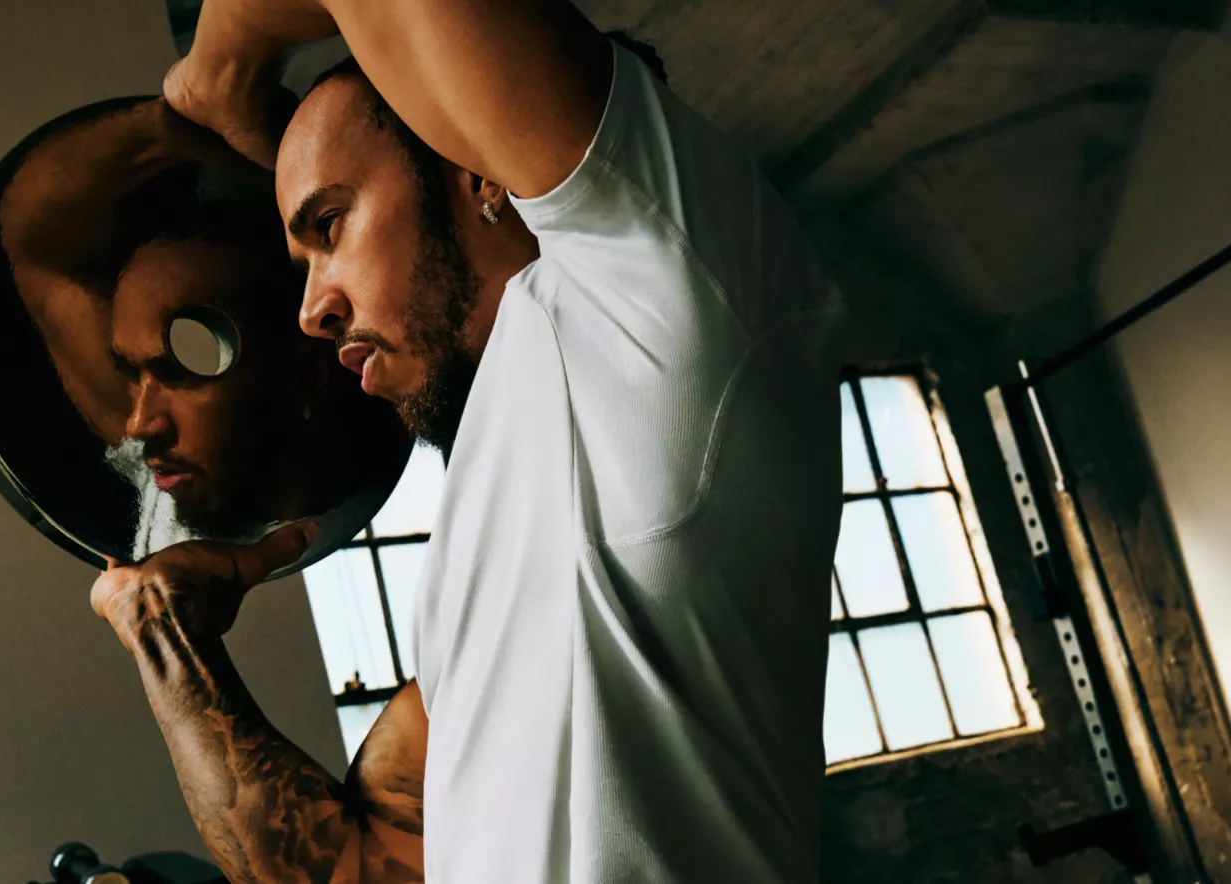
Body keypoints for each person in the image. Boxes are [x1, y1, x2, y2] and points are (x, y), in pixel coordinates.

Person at [87, 2, 844, 882]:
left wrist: (218, 78)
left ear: (478, 169)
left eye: (329, 226)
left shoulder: (661, 280)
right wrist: (165, 633)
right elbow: (355, 867)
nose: (312, 309)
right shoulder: (489, 525)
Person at [0, 98, 406, 543]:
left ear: (306, 372)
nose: (138, 425)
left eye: (183, 371)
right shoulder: (161, 455)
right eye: (130, 373)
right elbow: (28, 231)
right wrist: (175, 119)